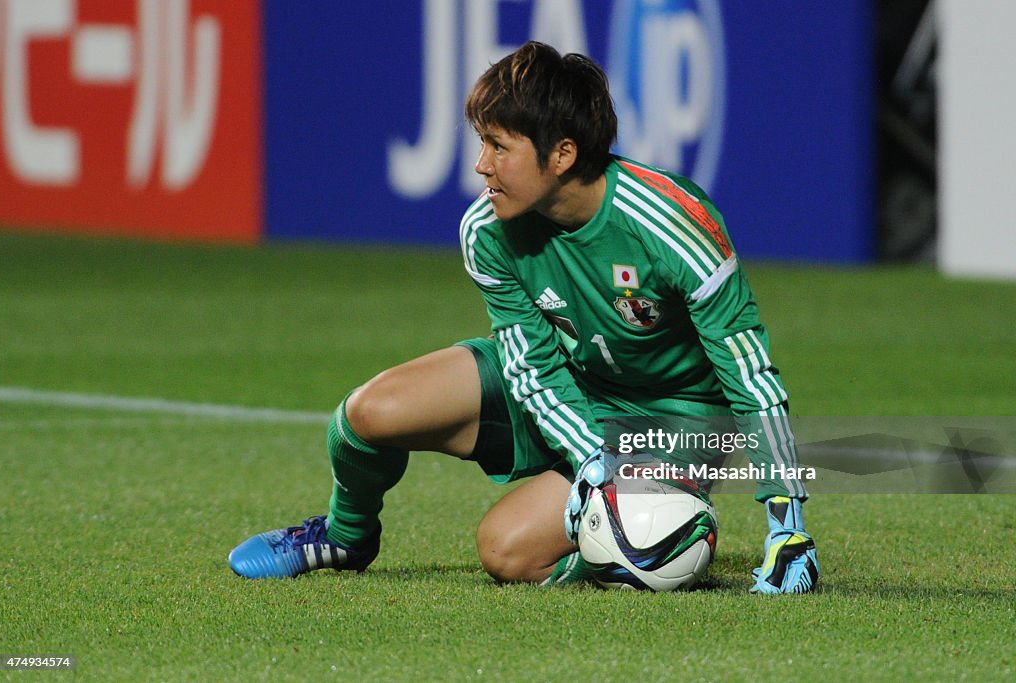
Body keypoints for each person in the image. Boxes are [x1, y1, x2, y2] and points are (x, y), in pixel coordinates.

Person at [228, 41, 819, 594]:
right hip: (566, 386)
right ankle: (344, 539)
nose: (481, 166)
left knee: (507, 554)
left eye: (498, 146)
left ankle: (659, 545)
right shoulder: (486, 231)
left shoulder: (673, 223)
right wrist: (593, 460)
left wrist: (786, 522)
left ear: (561, 154)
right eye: (480, 142)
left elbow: (749, 373)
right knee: (369, 412)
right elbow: (531, 366)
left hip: (674, 417)